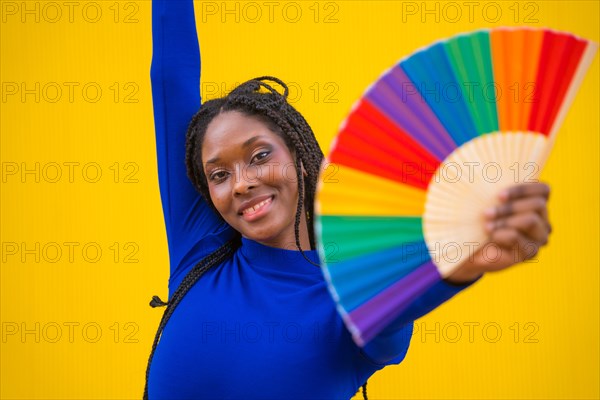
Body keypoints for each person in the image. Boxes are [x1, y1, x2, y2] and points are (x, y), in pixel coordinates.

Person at [144, 0, 552, 398]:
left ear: (299, 157)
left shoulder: (354, 291)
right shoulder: (199, 246)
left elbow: (399, 304)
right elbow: (171, 78)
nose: (240, 183)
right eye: (219, 174)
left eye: (260, 155)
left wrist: (470, 258)